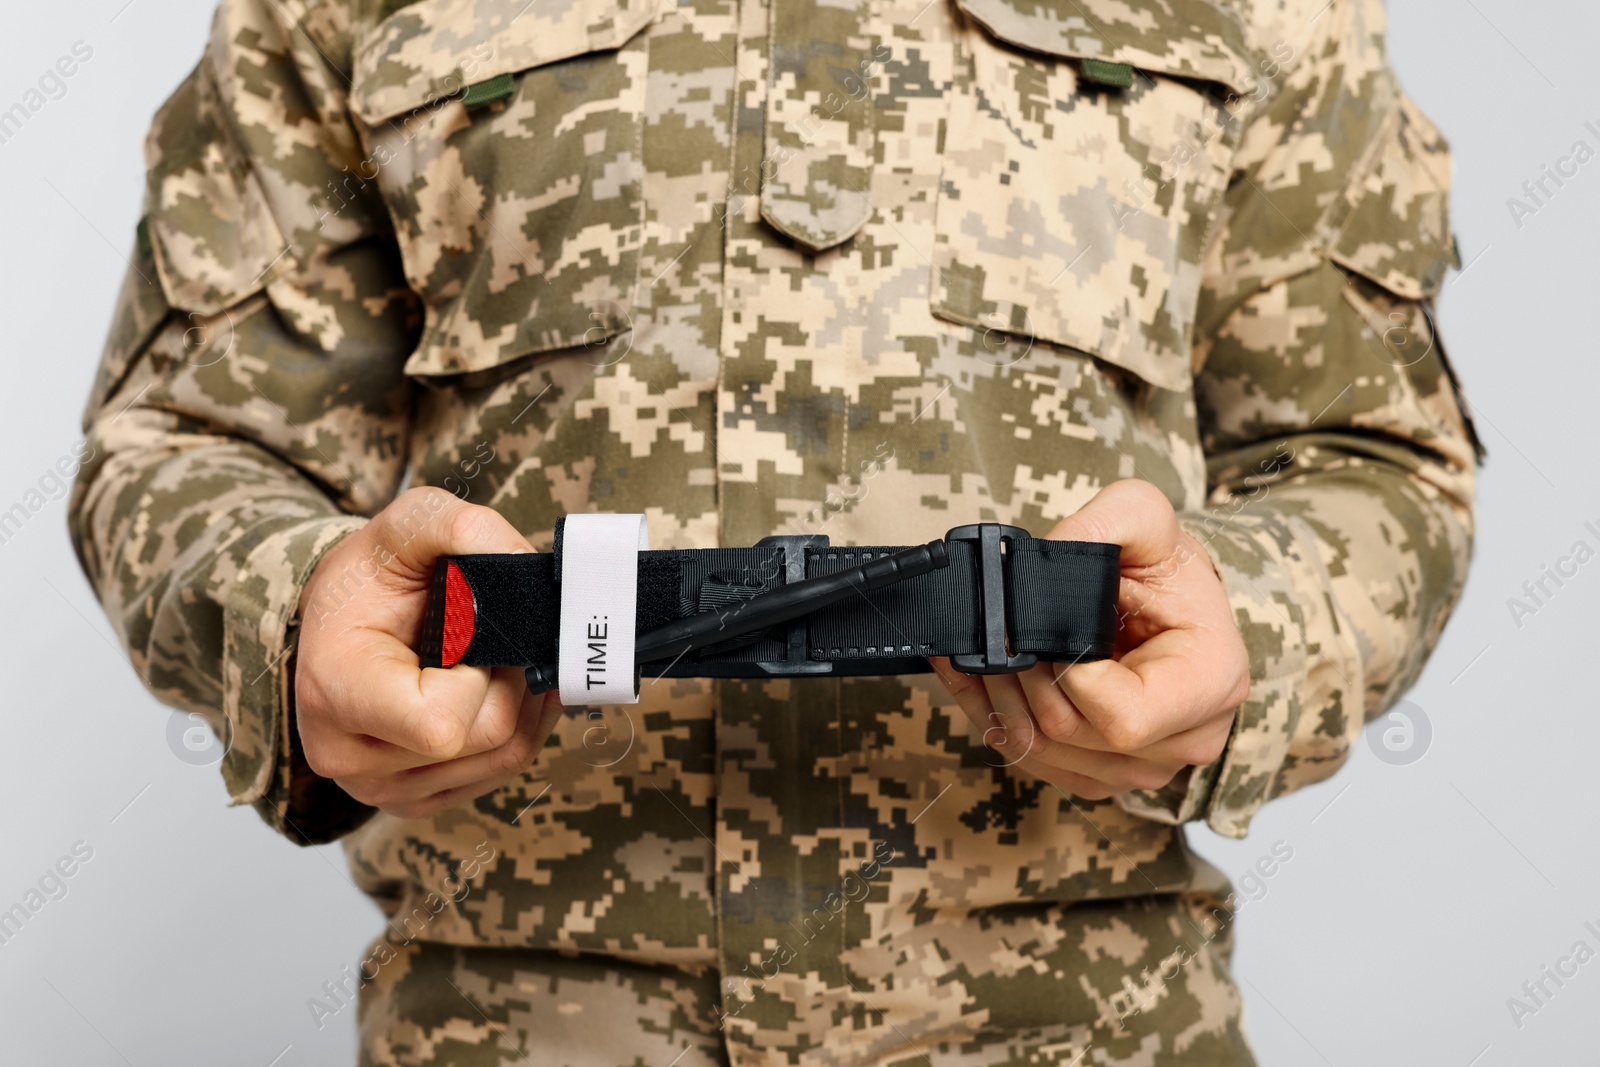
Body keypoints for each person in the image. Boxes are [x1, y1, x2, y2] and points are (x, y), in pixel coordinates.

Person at [68, 0, 1482, 1061]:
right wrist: (283, 612)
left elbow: (1371, 458)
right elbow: (193, 441)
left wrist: (1252, 628)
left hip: (1088, 1028)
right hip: (514, 1032)